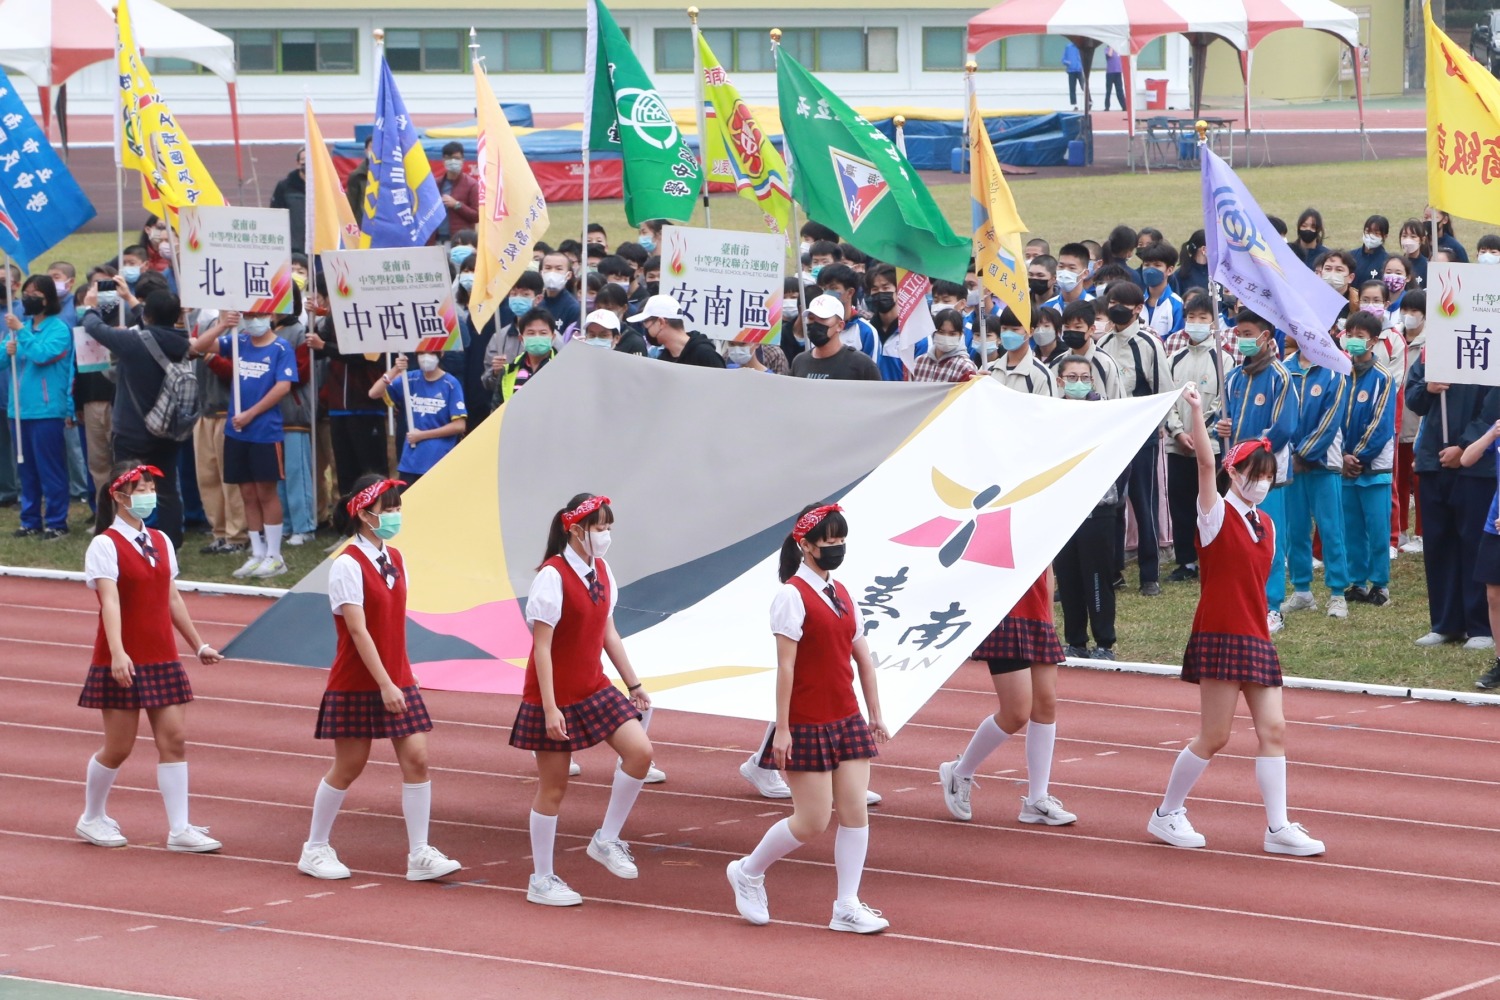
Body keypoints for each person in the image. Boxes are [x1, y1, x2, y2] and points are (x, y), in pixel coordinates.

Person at [1147, 394, 1326, 857]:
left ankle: (1278, 827)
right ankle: (1167, 813)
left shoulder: (1265, 523)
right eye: (1253, 474)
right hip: (1221, 633)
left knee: (1275, 730)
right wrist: (1195, 413)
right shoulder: (1215, 514)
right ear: (1233, 472)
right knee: (1215, 736)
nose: (1261, 483)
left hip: (1255, 635)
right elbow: (1205, 465)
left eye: (1268, 476)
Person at [726, 504, 889, 933]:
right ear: (805, 545)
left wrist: (875, 714)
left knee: (856, 812)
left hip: (847, 718)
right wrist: (782, 729)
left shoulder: (843, 593)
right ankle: (748, 871)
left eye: (840, 541)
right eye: (828, 542)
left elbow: (863, 660)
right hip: (807, 723)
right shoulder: (791, 596)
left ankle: (847, 906)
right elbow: (786, 668)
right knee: (812, 821)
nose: (836, 548)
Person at [296, 475, 462, 882]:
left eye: (397, 506)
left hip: (396, 677)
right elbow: (358, 631)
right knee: (349, 766)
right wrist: (386, 682)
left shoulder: (395, 559)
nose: (396, 514)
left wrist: (404, 671)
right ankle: (315, 847)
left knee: (418, 759)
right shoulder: (347, 565)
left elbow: (393, 624)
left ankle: (419, 852)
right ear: (365, 514)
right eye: (388, 508)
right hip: (358, 681)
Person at [510, 494, 653, 906]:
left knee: (640, 753)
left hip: (595, 687)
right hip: (553, 695)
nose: (605, 536)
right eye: (599, 528)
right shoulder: (551, 577)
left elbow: (608, 632)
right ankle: (542, 878)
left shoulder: (603, 571)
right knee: (553, 789)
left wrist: (634, 683)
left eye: (608, 528)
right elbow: (541, 649)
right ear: (575, 531)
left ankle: (606, 839)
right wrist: (551, 708)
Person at [76, 462, 223, 852]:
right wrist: (119, 653)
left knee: (174, 740)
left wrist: (198, 644)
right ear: (119, 496)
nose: (148, 495)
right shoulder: (105, 545)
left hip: (162, 655)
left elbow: (171, 596)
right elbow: (109, 602)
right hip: (125, 657)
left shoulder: (160, 539)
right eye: (141, 488)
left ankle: (180, 829)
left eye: (150, 488)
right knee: (119, 746)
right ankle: (91, 817)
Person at [189, 310, 298, 579]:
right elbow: (197, 348)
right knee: (246, 493)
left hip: (264, 432)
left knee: (265, 492)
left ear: (271, 315)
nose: (253, 320)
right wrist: (223, 326)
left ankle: (275, 555)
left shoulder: (281, 347)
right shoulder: (239, 340)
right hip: (237, 433)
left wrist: (251, 413)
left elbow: (283, 386)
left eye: (258, 315)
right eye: (248, 315)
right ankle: (257, 552)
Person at [80, 289, 192, 548]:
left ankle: (117, 541)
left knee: (122, 487)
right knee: (165, 490)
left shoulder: (133, 341)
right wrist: (132, 300)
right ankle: (171, 544)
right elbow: (153, 323)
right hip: (168, 429)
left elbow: (94, 327)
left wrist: (90, 307)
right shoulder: (183, 341)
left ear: (147, 315)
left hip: (132, 431)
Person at [1406, 345, 1498, 650]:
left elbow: (1493, 408)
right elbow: (1414, 399)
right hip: (1434, 459)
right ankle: (1446, 623)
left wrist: (1466, 446)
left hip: (1477, 465)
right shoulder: (1434, 351)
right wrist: (1428, 388)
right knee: (1439, 542)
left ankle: (1480, 625)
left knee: (1474, 542)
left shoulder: (1490, 347)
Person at [1216, 311, 1297, 634]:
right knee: (1237, 538)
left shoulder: (1280, 376)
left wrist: (1253, 454)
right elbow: (1226, 419)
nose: (1242, 339)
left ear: (1266, 337)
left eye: (1248, 333)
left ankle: (1272, 606)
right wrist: (1221, 426)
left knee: (1269, 539)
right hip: (1235, 476)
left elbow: (1285, 426)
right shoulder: (1234, 377)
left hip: (1266, 476)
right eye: (1239, 333)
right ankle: (1241, 601)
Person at [1096, 281, 1171, 596]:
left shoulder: (1148, 343)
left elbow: (1164, 390)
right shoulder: (1102, 343)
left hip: (1143, 436)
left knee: (1144, 503)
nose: (1115, 307)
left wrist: (1157, 427)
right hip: (1111, 436)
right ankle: (1113, 571)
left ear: (1138, 308)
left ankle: (1150, 574)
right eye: (1111, 301)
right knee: (1112, 504)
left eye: (1122, 303)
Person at [1053, 356, 1126, 659]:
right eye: (1071, 377)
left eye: (1084, 377)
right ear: (1060, 382)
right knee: (1068, 579)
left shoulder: (1106, 414)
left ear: (1093, 381)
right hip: (1062, 510)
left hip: (1099, 509)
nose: (1078, 383)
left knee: (1097, 577)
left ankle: (1104, 642)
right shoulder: (1050, 415)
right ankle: (1075, 640)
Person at [1280, 331, 1351, 620]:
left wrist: (1304, 455)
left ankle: (1337, 593)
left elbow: (1330, 419)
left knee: (1331, 529)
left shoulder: (1335, 371)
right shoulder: (1284, 369)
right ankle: (1302, 590)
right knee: (1295, 529)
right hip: (1291, 465)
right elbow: (1280, 415)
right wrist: (1291, 454)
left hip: (1324, 463)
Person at [1164, 293, 1230, 583]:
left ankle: (1212, 556)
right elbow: (1165, 399)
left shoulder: (1223, 358)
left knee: (1211, 503)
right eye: (1192, 318)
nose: (1197, 323)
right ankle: (1185, 561)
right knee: (1180, 504)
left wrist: (1199, 431)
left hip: (1211, 446)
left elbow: (1221, 402)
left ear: (1213, 322)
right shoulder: (1174, 358)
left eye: (1203, 318)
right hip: (1177, 447)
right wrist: (1178, 432)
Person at [6, 275, 74, 539]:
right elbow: (4, 358)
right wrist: (7, 347)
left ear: (49, 299)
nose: (29, 299)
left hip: (46, 411)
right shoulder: (19, 326)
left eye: (36, 294)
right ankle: (30, 520)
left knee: (50, 468)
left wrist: (21, 335)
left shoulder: (58, 329)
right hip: (18, 411)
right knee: (26, 469)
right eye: (26, 293)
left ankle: (57, 522)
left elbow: (42, 355)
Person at [1339, 312, 1397, 608]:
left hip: (1374, 469)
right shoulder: (1339, 373)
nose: (1354, 340)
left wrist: (1357, 457)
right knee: (1352, 528)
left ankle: (1380, 584)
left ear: (1374, 341)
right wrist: (1341, 457)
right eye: (1350, 333)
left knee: (1377, 528)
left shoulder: (1383, 378)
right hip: (1344, 469)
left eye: (1361, 335)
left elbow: (1381, 425)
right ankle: (1357, 582)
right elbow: (1333, 418)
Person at [371, 353, 466, 489]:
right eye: (421, 353)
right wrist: (395, 370)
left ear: (441, 353)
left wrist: (422, 435)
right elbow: (374, 393)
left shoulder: (451, 384)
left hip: (438, 459)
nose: (426, 357)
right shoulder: (410, 378)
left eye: (430, 352)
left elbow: (459, 426)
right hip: (411, 461)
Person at [1396, 290, 1427, 555]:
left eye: (1414, 311)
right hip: (1397, 420)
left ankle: (1422, 532)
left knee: (1420, 478)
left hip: (1419, 420)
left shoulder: (1432, 343)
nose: (1409, 315)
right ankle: (1400, 530)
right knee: (1399, 478)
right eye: (1405, 309)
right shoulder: (1395, 339)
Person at [790, 295, 880, 381]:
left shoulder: (862, 364)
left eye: (822, 318)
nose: (815, 323)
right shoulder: (799, 362)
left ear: (840, 325)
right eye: (811, 318)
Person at [628, 294, 726, 369]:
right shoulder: (664, 358)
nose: (646, 329)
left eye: (646, 323)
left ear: (661, 322)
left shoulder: (705, 355)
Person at [1049, 300, 1121, 398]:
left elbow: (1117, 402)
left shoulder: (1106, 364)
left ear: (1091, 330)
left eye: (1078, 327)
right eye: (1067, 327)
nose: (1071, 331)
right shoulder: (1056, 364)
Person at [986, 307, 1055, 395]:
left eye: (1015, 329)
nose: (1008, 334)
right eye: (1004, 328)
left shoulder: (1041, 375)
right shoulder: (988, 369)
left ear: (1030, 331)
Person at [911, 309, 976, 383]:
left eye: (952, 334)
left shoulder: (965, 367)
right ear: (933, 332)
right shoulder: (919, 362)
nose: (946, 337)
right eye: (941, 332)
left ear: (960, 335)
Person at [434, 141, 479, 247]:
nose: (452, 161)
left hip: (459, 241)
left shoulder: (472, 185)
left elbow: (477, 216)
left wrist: (457, 205)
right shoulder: (436, 184)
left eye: (457, 158)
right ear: (443, 160)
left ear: (463, 160)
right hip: (436, 239)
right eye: (448, 158)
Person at [270, 148, 307, 252]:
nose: (307, 163)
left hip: (319, 246)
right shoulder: (285, 186)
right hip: (294, 247)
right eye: (304, 159)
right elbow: (275, 215)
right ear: (298, 163)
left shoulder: (325, 187)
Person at [1351, 215, 1391, 283]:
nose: (1371, 236)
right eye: (1368, 231)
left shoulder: (1387, 261)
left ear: (1385, 236)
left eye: (1376, 233)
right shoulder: (1351, 256)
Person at [1061, 42, 1084, 109]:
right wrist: (1068, 63)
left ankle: (1089, 100)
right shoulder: (1068, 47)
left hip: (1079, 70)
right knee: (1072, 88)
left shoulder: (1081, 47)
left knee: (1084, 86)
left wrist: (1082, 66)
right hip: (1071, 71)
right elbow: (1063, 60)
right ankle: (1074, 104)